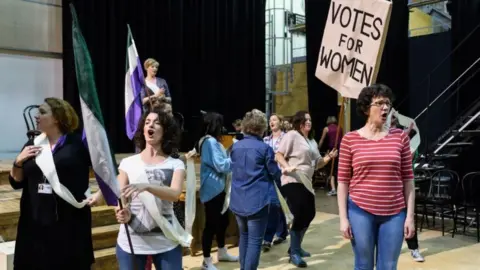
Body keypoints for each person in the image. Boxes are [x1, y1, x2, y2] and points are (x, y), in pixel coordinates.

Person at [9, 97, 94, 269]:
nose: (36, 116)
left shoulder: (78, 145)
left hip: (68, 223)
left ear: (56, 117)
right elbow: (16, 181)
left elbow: (105, 172)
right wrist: (18, 161)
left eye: (42, 112)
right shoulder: (32, 144)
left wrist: (100, 195)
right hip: (35, 223)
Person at [337, 84, 415, 270]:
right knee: (363, 265)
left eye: (387, 103)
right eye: (379, 103)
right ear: (366, 108)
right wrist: (343, 218)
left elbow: (408, 180)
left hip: (395, 213)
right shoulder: (350, 139)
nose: (385, 108)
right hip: (360, 211)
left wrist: (410, 216)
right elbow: (342, 182)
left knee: (388, 266)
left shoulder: (400, 138)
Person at [115, 108, 186, 269]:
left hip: (167, 241)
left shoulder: (175, 164)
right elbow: (120, 195)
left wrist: (147, 186)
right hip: (131, 243)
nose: (150, 125)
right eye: (147, 122)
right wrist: (121, 211)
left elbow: (175, 194)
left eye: (157, 122)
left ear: (166, 130)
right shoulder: (128, 162)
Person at [275, 110, 338, 267]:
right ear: (299, 122)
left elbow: (317, 163)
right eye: (306, 119)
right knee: (300, 212)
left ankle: (295, 247)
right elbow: (279, 155)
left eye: (310, 119)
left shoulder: (311, 141)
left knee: (310, 213)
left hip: (307, 181)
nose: (309, 122)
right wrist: (287, 167)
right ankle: (294, 252)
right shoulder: (292, 135)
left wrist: (329, 157)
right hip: (292, 178)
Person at [230, 109, 282, 269]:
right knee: (254, 241)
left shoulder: (235, 147)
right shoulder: (265, 149)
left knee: (244, 237)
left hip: (238, 200)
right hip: (257, 201)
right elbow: (275, 173)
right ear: (261, 128)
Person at [197, 112, 238, 270]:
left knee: (223, 222)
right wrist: (234, 155)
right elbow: (221, 165)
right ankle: (206, 261)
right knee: (211, 225)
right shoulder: (210, 142)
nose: (222, 128)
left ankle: (222, 251)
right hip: (213, 190)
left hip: (218, 188)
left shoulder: (211, 142)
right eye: (220, 124)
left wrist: (229, 151)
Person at [390, 116, 425, 263]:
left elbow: (408, 158)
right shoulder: (384, 140)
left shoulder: (408, 143)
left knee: (408, 218)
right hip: (388, 186)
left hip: (404, 185)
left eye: (392, 122)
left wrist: (405, 136)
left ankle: (414, 249)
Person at [262, 114, 289, 250]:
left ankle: (281, 232)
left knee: (279, 204)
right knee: (274, 205)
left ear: (280, 122)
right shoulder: (266, 139)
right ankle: (276, 234)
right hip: (268, 176)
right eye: (270, 120)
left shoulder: (286, 137)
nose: (271, 122)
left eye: (274, 120)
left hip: (282, 174)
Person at [318, 116, 343, 196]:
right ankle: (341, 189)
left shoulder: (326, 129)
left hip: (332, 151)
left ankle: (333, 189)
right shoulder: (340, 128)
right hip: (340, 151)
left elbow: (322, 140)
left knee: (331, 171)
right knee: (338, 170)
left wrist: (317, 148)